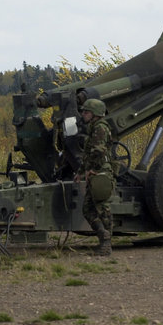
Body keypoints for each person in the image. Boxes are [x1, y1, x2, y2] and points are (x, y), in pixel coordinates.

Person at [74, 98, 115, 256]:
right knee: (88, 209)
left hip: (101, 173)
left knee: (103, 209)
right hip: (96, 172)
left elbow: (97, 151)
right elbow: (88, 155)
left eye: (86, 112)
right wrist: (80, 172)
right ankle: (104, 235)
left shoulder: (100, 128)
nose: (83, 114)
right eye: (83, 111)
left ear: (96, 114)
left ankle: (106, 243)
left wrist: (91, 169)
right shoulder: (94, 127)